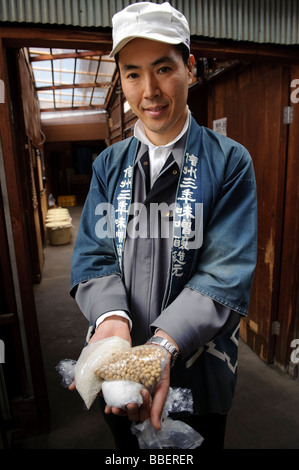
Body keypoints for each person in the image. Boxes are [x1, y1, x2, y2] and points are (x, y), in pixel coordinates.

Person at [70, 1, 257, 450]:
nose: (149, 90)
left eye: (163, 68)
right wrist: (112, 323)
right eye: (133, 73)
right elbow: (94, 255)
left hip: (199, 372)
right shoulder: (108, 166)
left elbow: (225, 271)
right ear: (122, 80)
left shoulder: (229, 162)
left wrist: (163, 346)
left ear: (189, 68)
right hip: (121, 370)